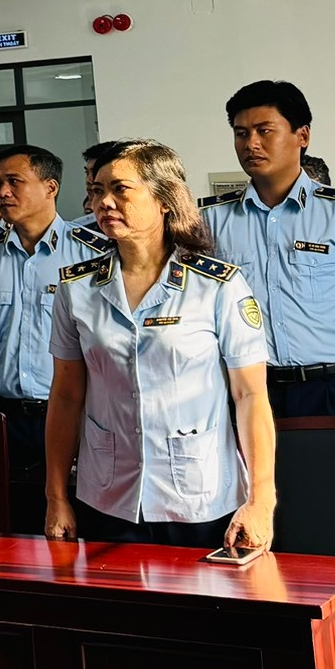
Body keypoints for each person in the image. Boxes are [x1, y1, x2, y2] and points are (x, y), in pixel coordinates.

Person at [45, 139, 276, 553]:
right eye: (97, 190)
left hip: (198, 494)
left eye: (121, 189)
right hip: (108, 492)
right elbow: (66, 395)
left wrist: (261, 500)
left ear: (165, 199)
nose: (104, 202)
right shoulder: (76, 288)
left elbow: (250, 396)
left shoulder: (217, 286)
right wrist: (56, 494)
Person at [203, 79, 335, 419]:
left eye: (264, 131)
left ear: (303, 136)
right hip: (250, 391)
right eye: (241, 133)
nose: (251, 144)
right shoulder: (210, 219)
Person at [0, 145, 109, 532]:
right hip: (3, 416)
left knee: (72, 525)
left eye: (14, 182)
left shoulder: (91, 255)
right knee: (6, 525)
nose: (1, 193)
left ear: (50, 187)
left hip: (71, 414)